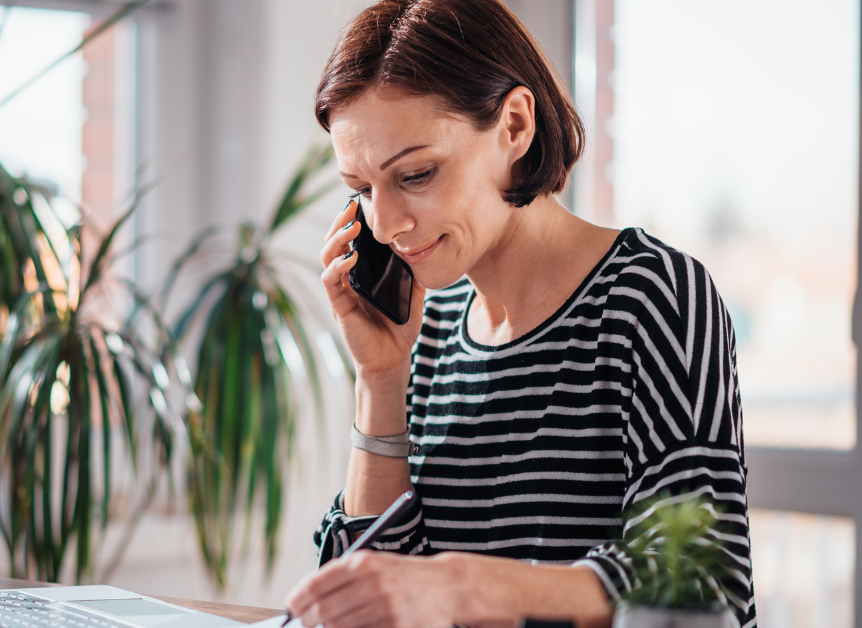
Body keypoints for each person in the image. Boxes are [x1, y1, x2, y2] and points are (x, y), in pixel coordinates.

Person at [282, 1, 756, 627]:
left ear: (514, 125)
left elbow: (698, 576)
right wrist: (380, 380)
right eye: (362, 190)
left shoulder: (652, 295)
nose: (386, 224)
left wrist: (466, 585)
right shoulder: (426, 332)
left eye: (416, 174)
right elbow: (370, 602)